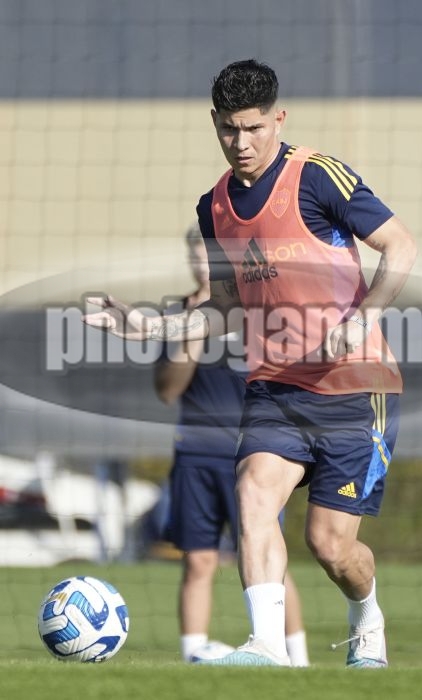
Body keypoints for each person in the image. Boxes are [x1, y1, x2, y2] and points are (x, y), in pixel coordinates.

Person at [83, 58, 417, 668]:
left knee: (330, 546)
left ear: (277, 120)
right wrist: (147, 325)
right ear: (214, 122)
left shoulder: (317, 176)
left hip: (356, 385)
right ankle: (265, 645)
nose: (242, 142)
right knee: (254, 493)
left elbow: (400, 244)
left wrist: (363, 319)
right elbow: (225, 308)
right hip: (276, 387)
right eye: (229, 129)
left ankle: (367, 617)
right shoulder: (213, 207)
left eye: (254, 128)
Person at [151, 223, 309, 666]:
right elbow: (167, 390)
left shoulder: (259, 308)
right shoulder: (177, 314)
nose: (202, 261)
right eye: (195, 253)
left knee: (270, 559)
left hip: (255, 454)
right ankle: (192, 659)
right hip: (195, 454)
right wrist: (192, 331)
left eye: (210, 253)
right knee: (198, 561)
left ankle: (297, 660)